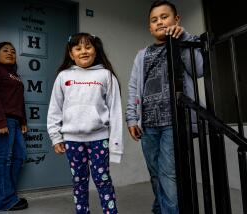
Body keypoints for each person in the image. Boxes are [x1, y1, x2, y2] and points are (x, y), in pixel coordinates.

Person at [125, 1, 203, 213]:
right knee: (156, 174)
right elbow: (134, 87)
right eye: (154, 19)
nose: (159, 21)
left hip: (174, 122)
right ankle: (160, 208)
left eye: (164, 16)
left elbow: (199, 70)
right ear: (150, 27)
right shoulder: (142, 55)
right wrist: (131, 118)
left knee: (169, 174)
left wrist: (183, 38)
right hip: (148, 124)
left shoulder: (185, 43)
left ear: (176, 20)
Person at [47, 33, 123, 214]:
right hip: (72, 140)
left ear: (95, 51)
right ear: (71, 54)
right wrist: (56, 137)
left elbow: (116, 112)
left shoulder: (106, 75)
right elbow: (54, 109)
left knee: (103, 180)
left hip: (99, 139)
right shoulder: (63, 77)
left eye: (88, 47)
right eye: (78, 48)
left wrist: (116, 146)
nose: (83, 51)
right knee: (79, 182)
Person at [0, 42, 28, 211]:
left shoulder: (14, 75)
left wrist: (23, 121)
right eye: (5, 50)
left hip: (15, 122)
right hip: (1, 119)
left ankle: (9, 194)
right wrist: (0, 121)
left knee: (20, 156)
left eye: (13, 51)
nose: (10, 53)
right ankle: (4, 201)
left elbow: (20, 101)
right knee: (4, 158)